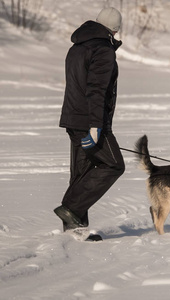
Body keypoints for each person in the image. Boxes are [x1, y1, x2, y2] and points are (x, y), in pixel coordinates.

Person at [54, 7, 125, 241]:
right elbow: (96, 90)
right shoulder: (103, 50)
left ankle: (75, 233)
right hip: (90, 121)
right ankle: (71, 207)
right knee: (113, 165)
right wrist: (96, 126)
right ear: (114, 30)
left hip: (73, 118)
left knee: (82, 172)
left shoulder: (77, 47)